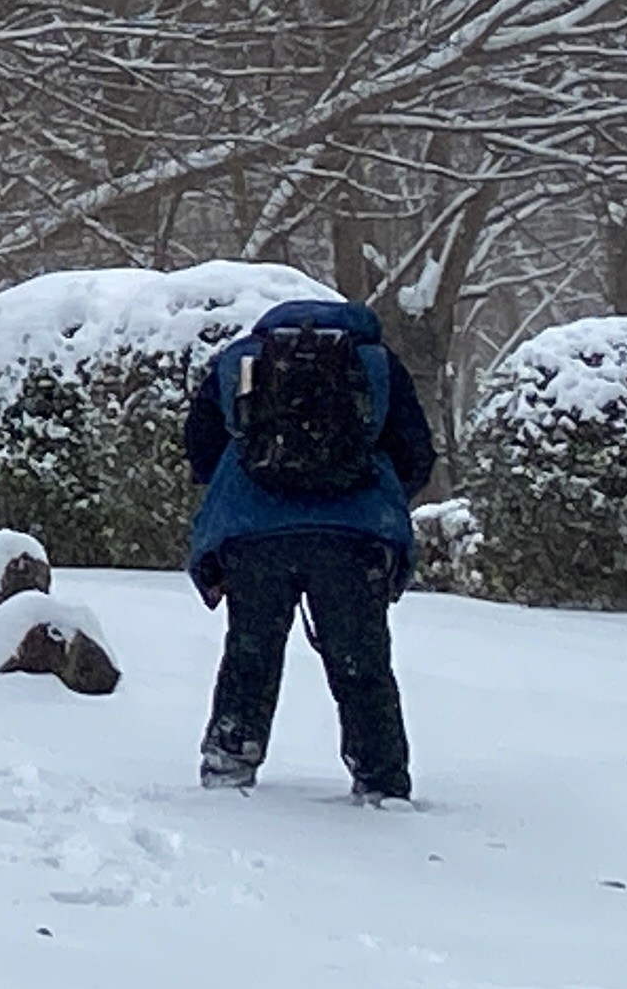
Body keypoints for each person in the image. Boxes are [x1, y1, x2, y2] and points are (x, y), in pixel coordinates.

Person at [182, 293, 437, 802]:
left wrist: (249, 484)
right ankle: (380, 777)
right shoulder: (376, 362)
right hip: (352, 537)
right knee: (361, 659)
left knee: (250, 651)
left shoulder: (240, 359)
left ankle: (230, 759)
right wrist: (375, 496)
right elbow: (416, 452)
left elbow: (201, 445)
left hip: (253, 535)